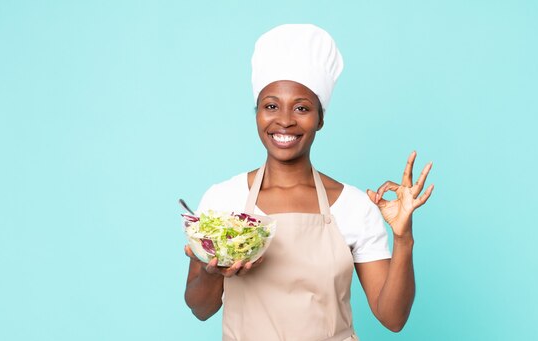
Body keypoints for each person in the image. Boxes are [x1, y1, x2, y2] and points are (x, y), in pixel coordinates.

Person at [183, 24, 434, 341]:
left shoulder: (353, 206)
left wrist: (403, 237)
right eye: (271, 105)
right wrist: (211, 271)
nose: (285, 120)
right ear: (257, 113)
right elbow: (200, 309)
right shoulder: (223, 200)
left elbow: (393, 318)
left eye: (301, 108)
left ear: (320, 118)